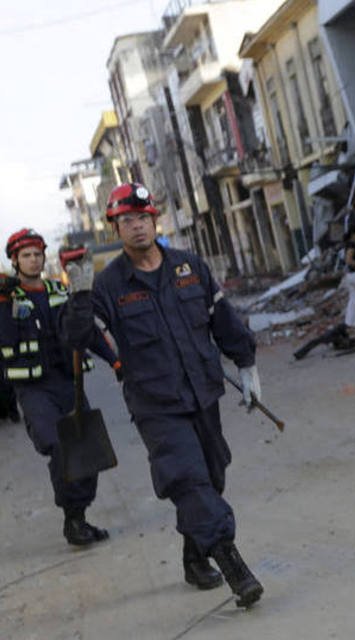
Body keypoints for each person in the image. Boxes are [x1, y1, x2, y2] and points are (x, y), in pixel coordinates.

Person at [62, 182, 264, 608]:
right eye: (126, 221)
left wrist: (246, 365)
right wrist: (79, 297)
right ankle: (233, 566)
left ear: (155, 220)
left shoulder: (190, 267)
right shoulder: (108, 285)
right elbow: (78, 339)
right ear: (115, 228)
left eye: (142, 217)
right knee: (186, 479)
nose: (136, 227)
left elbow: (221, 319)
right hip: (155, 405)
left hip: (203, 394)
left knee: (211, 478)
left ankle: (194, 558)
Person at [0, 229, 118, 546]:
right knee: (57, 444)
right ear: (15, 260)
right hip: (33, 388)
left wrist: (114, 361)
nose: (34, 259)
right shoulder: (7, 296)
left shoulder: (58, 290)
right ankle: (72, 518)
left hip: (69, 380)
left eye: (38, 253)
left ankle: (78, 517)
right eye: (26, 255)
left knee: (87, 448)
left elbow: (86, 329)